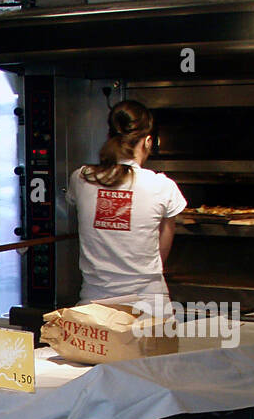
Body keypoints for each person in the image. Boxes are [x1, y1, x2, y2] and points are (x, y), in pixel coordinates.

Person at [66, 100, 186, 306]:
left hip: (95, 305)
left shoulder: (82, 177)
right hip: (148, 304)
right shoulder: (162, 186)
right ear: (148, 141)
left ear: (109, 136)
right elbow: (162, 251)